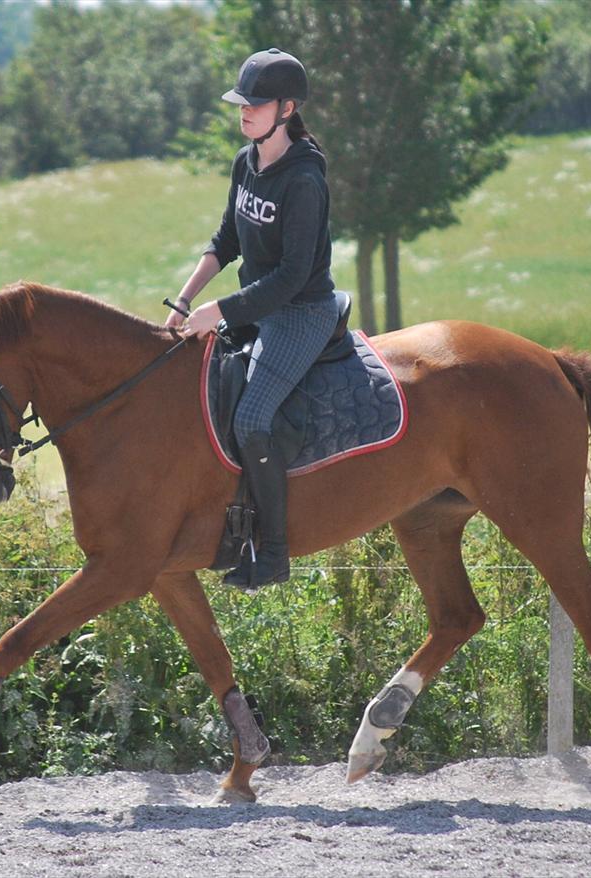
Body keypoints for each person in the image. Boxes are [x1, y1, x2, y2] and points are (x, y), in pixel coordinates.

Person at [172, 48, 338, 587]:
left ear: (286, 108)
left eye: (255, 104)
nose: (244, 112)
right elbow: (226, 241)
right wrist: (184, 299)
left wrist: (219, 309)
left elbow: (291, 277)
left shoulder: (304, 180)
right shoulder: (246, 162)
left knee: (250, 420)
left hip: (300, 314)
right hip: (256, 308)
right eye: (241, 102)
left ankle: (273, 553)